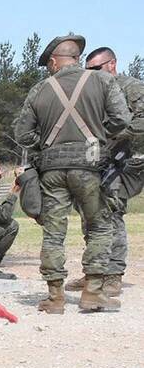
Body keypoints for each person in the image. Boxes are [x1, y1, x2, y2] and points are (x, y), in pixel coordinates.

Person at [13, 32, 130, 313]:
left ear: (54, 61)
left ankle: (55, 298)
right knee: (100, 226)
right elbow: (122, 119)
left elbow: (21, 133)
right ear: (76, 58)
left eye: (48, 64)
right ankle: (92, 293)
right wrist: (100, 135)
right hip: (90, 166)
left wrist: (44, 145)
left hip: (51, 169)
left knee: (53, 233)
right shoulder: (102, 80)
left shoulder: (40, 89)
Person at [63, 46, 144, 296]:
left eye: (96, 69)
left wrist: (112, 135)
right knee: (90, 217)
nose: (91, 75)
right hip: (93, 160)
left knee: (112, 213)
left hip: (121, 161)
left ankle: (113, 275)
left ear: (112, 64)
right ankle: (94, 272)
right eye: (87, 71)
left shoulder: (130, 87)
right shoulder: (92, 91)